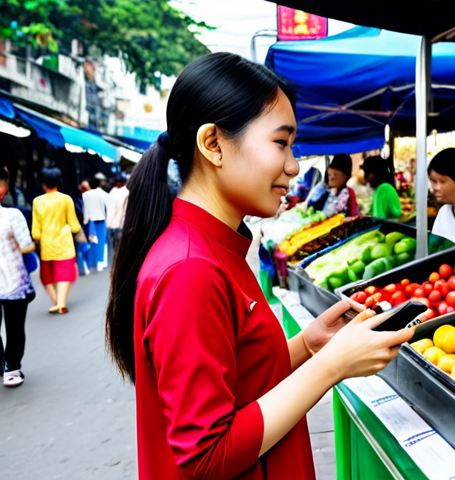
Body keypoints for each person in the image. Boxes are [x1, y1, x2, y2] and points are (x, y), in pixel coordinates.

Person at [105, 52, 412, 480]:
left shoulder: (214, 247)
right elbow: (204, 457)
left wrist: (309, 345)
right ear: (213, 144)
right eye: (280, 143)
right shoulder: (189, 269)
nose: (293, 165)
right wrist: (332, 366)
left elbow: (240, 380)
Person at [0, 167, 36, 387]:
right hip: (14, 283)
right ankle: (11, 369)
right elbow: (26, 247)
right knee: (14, 326)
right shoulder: (14, 215)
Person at [31, 168, 81, 314]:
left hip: (47, 245)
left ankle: (54, 300)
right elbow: (74, 225)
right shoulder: (66, 199)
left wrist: (37, 239)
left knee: (47, 276)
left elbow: (36, 229)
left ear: (43, 184)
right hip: (65, 243)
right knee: (64, 272)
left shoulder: (37, 201)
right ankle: (60, 303)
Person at [82, 176, 109, 271]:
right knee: (102, 242)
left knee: (92, 241)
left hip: (90, 221)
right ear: (99, 184)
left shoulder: (85, 195)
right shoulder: (103, 194)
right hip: (101, 220)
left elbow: (85, 208)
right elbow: (108, 207)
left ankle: (92, 262)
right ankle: (101, 263)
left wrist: (85, 219)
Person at [362, 155, 401, 219]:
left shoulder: (382, 190)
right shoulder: (388, 187)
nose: (366, 179)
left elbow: (378, 219)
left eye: (367, 173)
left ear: (375, 173)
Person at [106, 174, 129, 265]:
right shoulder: (126, 192)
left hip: (113, 223)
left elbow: (110, 209)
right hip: (123, 222)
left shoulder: (113, 192)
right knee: (120, 243)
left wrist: (108, 222)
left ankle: (117, 260)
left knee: (115, 243)